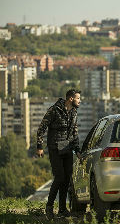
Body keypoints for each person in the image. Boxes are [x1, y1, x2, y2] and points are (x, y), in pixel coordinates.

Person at [36, 89, 81, 219]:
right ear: (71, 99)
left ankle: (62, 209)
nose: (80, 101)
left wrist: (77, 150)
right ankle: (49, 207)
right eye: (78, 98)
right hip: (54, 147)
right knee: (59, 177)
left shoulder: (74, 112)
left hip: (67, 148)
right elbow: (41, 128)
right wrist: (39, 146)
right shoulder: (54, 110)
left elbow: (75, 133)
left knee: (67, 178)